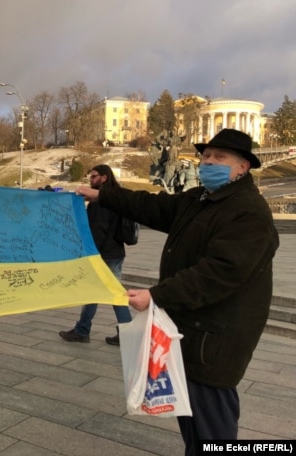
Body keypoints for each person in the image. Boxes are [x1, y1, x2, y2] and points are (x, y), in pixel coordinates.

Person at [75, 129, 279, 455]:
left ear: (243, 167)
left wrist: (157, 296)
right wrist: (103, 195)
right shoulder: (199, 199)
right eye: (206, 156)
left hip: (216, 339)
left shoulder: (247, 211)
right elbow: (149, 206)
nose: (208, 162)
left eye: (219, 157)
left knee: (212, 426)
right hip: (190, 330)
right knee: (192, 424)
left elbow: (219, 272)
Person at [59, 164, 132, 345]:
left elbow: (98, 229)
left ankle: (84, 330)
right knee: (110, 292)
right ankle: (123, 331)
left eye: (93, 177)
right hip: (115, 251)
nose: (90, 180)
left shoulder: (101, 202)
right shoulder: (117, 196)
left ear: (104, 177)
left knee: (108, 293)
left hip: (103, 253)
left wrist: (90, 253)